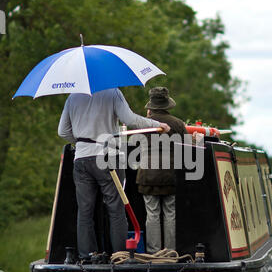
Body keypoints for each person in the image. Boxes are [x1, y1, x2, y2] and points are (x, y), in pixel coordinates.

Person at [58, 88, 170, 262]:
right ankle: (119, 257)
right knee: (116, 208)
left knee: (85, 211)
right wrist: (156, 125)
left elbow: (62, 131)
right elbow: (130, 119)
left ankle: (87, 257)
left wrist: (82, 143)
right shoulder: (112, 93)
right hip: (108, 156)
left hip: (81, 159)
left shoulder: (72, 97)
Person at [136, 86, 188, 254]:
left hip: (148, 176)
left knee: (152, 214)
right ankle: (170, 251)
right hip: (170, 175)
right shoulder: (178, 123)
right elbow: (187, 148)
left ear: (150, 107)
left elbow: (133, 145)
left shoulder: (143, 124)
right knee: (170, 213)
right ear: (167, 105)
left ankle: (153, 252)